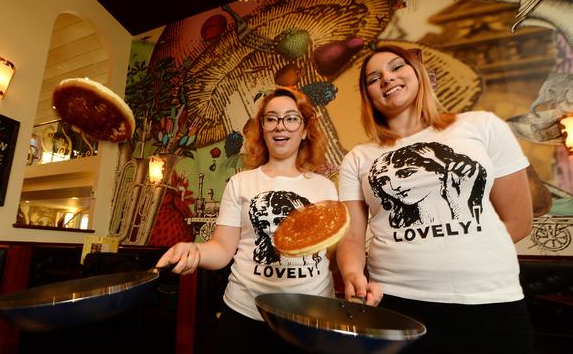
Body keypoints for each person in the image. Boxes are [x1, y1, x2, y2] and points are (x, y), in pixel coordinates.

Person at [337, 45, 534, 354]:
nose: (387, 78)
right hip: (395, 304)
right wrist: (352, 274)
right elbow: (351, 238)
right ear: (368, 96)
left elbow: (519, 221)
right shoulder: (358, 158)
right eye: (374, 78)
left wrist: (463, 254)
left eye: (396, 67)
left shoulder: (482, 126)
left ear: (418, 75)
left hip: (489, 302)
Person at [156, 86, 379, 353]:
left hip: (311, 316)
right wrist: (194, 249)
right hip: (245, 313)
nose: (279, 126)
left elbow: (336, 250)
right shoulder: (240, 183)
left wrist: (354, 275)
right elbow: (223, 249)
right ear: (262, 128)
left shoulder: (326, 188)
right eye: (271, 118)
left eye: (291, 118)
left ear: (306, 129)